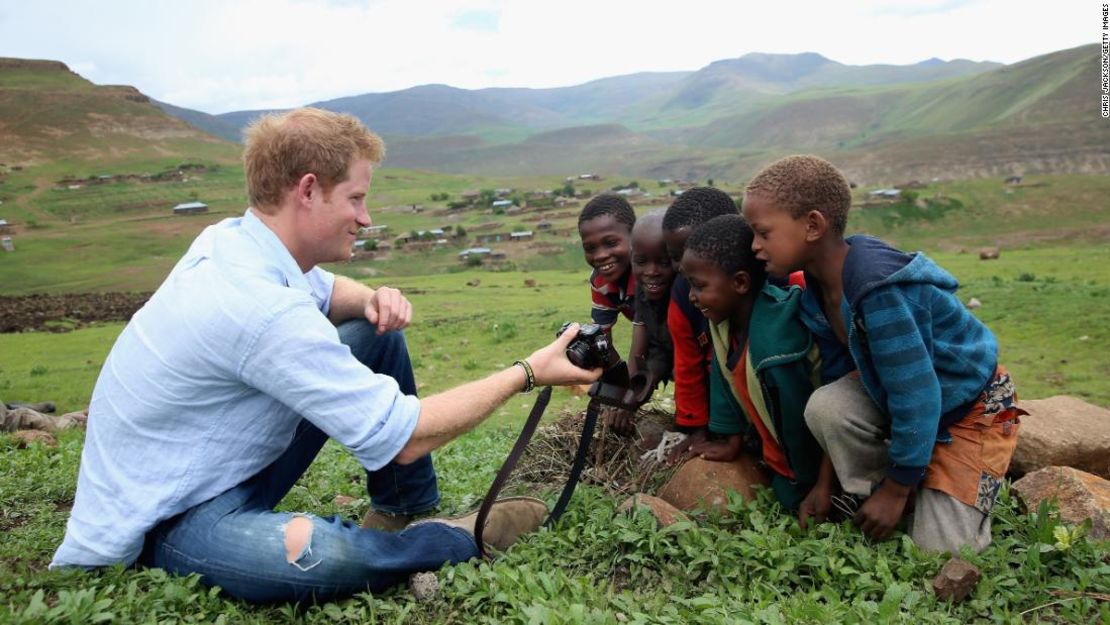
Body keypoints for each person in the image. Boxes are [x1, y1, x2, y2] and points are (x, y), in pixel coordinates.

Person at [50, 108, 601, 603]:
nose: (365, 218)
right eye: (356, 198)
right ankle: (454, 535)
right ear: (308, 190)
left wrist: (372, 300)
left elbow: (328, 291)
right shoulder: (259, 308)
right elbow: (405, 437)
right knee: (327, 560)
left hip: (214, 464)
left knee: (373, 331)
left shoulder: (233, 241)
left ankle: (403, 505)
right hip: (169, 514)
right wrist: (528, 372)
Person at [741, 154, 1023, 552]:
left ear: (812, 226)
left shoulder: (877, 292)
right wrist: (825, 484)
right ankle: (893, 483)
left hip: (970, 406)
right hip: (902, 398)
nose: (754, 246)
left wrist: (895, 491)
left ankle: (904, 486)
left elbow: (918, 397)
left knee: (940, 551)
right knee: (827, 404)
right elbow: (845, 380)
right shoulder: (814, 293)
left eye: (763, 233)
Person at [679, 214, 825, 513]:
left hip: (812, 459)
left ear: (740, 283)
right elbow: (723, 379)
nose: (692, 297)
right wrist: (731, 439)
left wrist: (814, 483)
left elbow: (801, 421)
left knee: (795, 502)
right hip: (778, 456)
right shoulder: (721, 324)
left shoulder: (777, 346)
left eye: (698, 286)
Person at [660, 187, 739, 450]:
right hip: (718, 399)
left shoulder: (775, 286)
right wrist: (694, 427)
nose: (683, 267)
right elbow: (687, 364)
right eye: (675, 257)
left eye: (694, 251)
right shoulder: (683, 295)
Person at [604, 211, 676, 434]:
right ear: (632, 258)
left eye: (663, 262)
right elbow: (648, 353)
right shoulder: (644, 295)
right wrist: (629, 398)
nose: (652, 272)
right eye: (641, 262)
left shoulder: (688, 296)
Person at [578, 194, 636, 332]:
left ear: (635, 235)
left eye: (611, 243)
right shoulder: (599, 280)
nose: (600, 256)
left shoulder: (655, 273)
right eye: (590, 248)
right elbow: (601, 337)